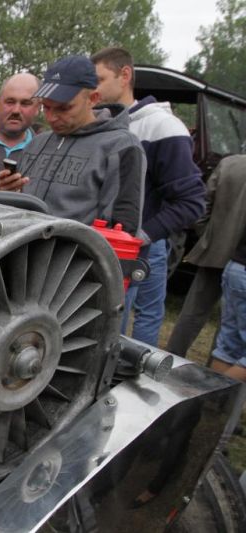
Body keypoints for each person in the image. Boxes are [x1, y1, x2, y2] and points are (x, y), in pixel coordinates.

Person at [92, 47, 204, 346]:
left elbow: (192, 201)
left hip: (141, 247)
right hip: (104, 244)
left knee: (136, 318)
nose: (94, 89)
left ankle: (133, 379)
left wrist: (143, 235)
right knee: (106, 320)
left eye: (100, 80)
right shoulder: (100, 123)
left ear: (124, 75)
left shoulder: (162, 126)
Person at [0, 55, 145, 236]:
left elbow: (122, 231)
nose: (51, 117)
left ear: (93, 98)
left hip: (75, 262)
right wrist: (10, 194)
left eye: (64, 108)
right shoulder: (37, 142)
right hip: (24, 258)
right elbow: (17, 210)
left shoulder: (120, 146)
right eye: (46, 107)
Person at [166, 155, 246, 356]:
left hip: (216, 249)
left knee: (193, 311)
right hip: (240, 259)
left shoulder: (230, 163)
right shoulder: (230, 163)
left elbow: (203, 205)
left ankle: (173, 357)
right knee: (231, 320)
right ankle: (217, 371)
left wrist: (208, 238)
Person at [209, 225, 246, 383]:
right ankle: (209, 397)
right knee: (230, 347)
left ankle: (211, 406)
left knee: (229, 348)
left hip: (237, 267)